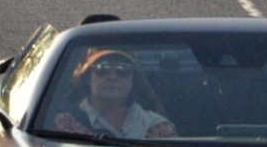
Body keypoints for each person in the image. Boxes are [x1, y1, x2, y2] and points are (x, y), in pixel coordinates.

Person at [49, 49, 177, 140]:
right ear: (88, 77)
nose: (112, 77)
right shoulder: (61, 126)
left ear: (133, 80)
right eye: (102, 68)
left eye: (123, 69)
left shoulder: (160, 129)